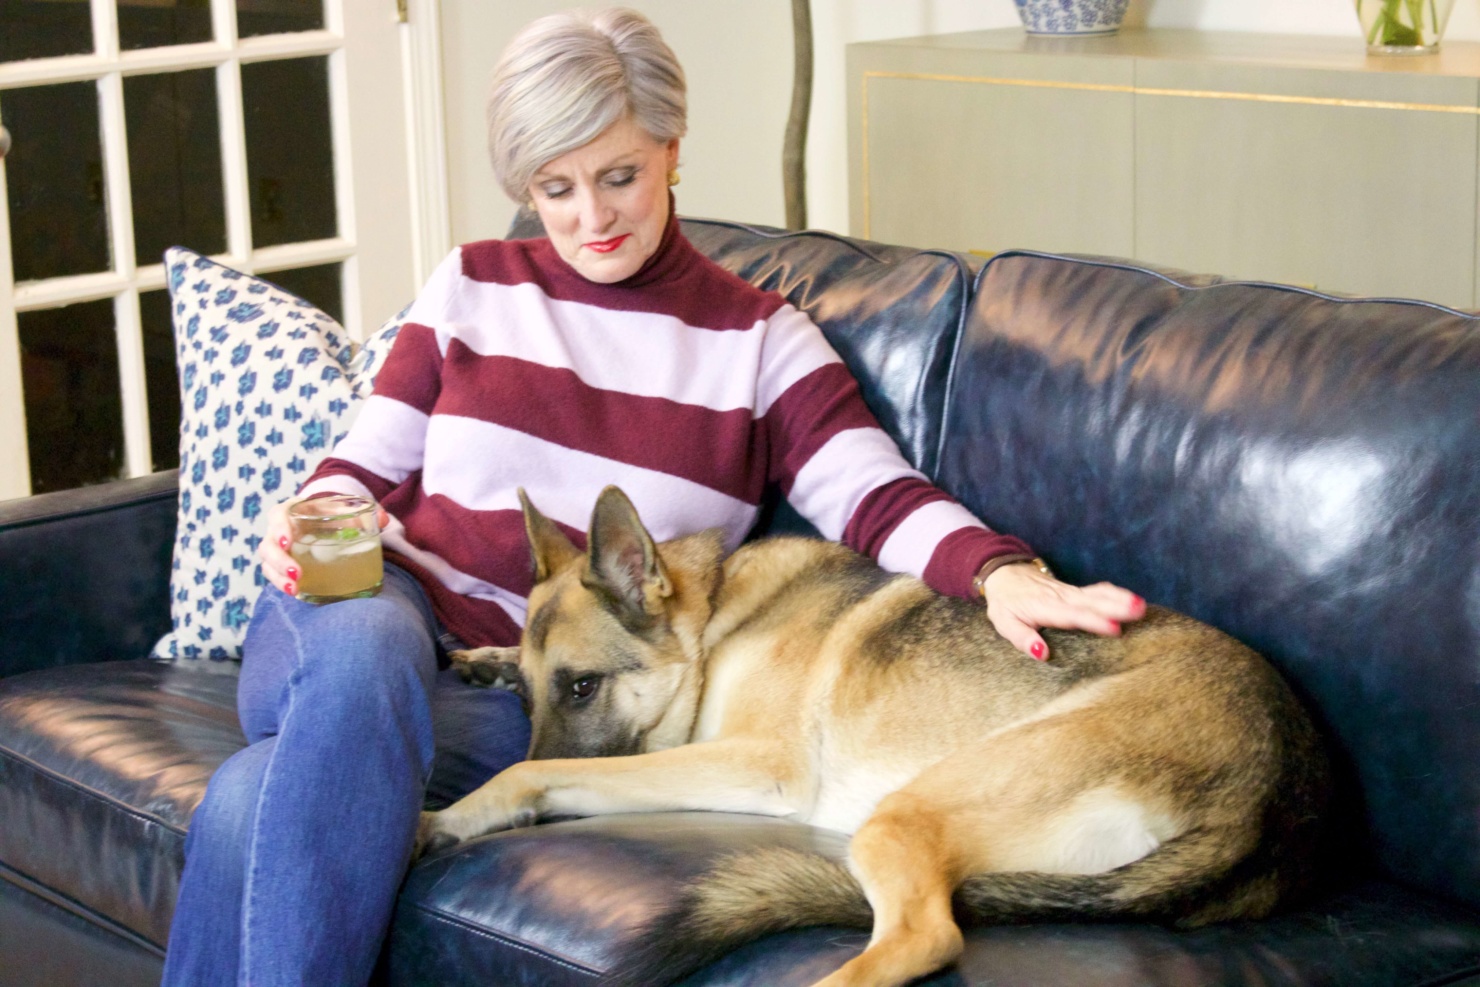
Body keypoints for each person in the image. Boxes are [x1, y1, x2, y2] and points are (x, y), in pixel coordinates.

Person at [160, 8, 1145, 986]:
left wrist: (998, 571)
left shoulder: (761, 341)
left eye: (618, 175)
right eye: (556, 188)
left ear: (671, 147)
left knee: (262, 796)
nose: (593, 218)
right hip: (367, 623)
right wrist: (303, 524)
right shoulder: (467, 285)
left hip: (525, 697)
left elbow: (874, 496)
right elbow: (356, 473)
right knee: (368, 656)